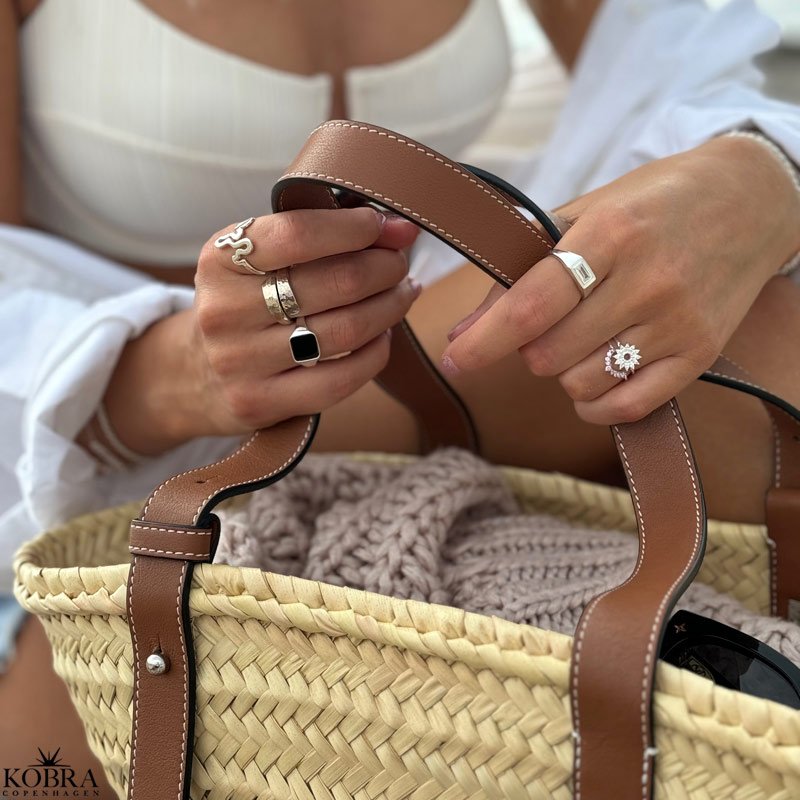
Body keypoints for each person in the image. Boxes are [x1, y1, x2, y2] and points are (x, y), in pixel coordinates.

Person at [1, 0, 800, 774]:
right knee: (753, 346)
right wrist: (166, 370)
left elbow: (678, 53)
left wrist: (760, 173)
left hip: (436, 365)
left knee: (744, 324)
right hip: (123, 440)